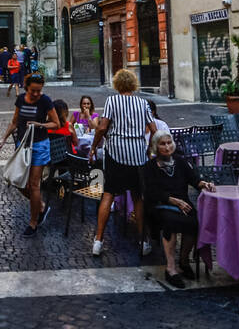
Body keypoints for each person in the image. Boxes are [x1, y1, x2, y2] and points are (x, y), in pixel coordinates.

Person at [88, 69, 158, 257]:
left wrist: (94, 147)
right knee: (137, 197)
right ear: (134, 84)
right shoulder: (143, 103)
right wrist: (148, 149)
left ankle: (98, 241)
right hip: (137, 155)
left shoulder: (112, 101)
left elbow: (102, 127)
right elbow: (154, 128)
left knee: (108, 195)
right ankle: (144, 241)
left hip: (116, 154)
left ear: (117, 84)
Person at [143, 130, 216, 287]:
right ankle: (170, 268)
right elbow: (150, 192)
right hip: (160, 206)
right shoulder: (149, 167)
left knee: (194, 221)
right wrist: (172, 200)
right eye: (163, 144)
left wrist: (205, 184)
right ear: (156, 147)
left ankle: (183, 260)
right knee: (170, 223)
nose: (167, 147)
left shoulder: (180, 162)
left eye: (169, 143)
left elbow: (194, 180)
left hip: (182, 205)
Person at [0, 73, 62, 237]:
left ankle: (33, 222)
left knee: (34, 184)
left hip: (39, 146)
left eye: (39, 90)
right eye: (33, 91)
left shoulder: (45, 101)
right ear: (26, 87)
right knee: (17, 181)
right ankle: (41, 207)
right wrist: (3, 139)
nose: (37, 94)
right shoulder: (21, 99)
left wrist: (40, 124)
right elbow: (15, 121)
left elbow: (56, 123)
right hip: (23, 146)